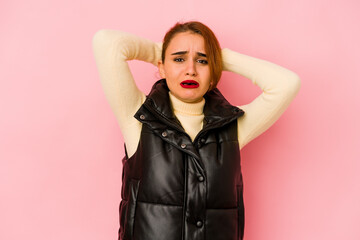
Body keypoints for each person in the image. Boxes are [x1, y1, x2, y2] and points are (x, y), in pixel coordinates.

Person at [92, 21, 301, 240]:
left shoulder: (232, 126)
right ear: (161, 66)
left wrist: (220, 58)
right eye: (179, 59)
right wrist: (158, 51)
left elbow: (287, 84)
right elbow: (106, 42)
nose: (190, 70)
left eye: (202, 61)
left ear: (214, 71)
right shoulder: (139, 116)